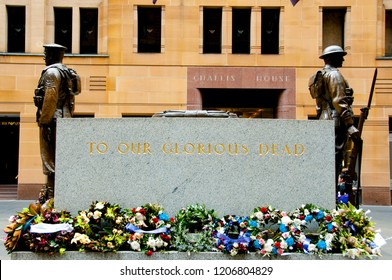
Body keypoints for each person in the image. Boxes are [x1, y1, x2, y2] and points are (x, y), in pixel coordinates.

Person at [310, 45, 361, 195]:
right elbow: (339, 101)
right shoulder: (334, 75)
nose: (343, 59)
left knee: (327, 160)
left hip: (324, 119)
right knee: (335, 160)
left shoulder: (319, 75)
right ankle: (330, 196)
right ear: (331, 58)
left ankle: (325, 194)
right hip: (335, 121)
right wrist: (350, 124)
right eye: (340, 56)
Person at [34, 43, 78, 202]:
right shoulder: (67, 72)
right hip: (64, 118)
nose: (44, 56)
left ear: (53, 55)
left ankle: (52, 196)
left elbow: (50, 98)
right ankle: (54, 194)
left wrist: (44, 121)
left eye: (46, 53)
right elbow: (75, 92)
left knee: (50, 159)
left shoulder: (52, 72)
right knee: (59, 158)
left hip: (52, 120)